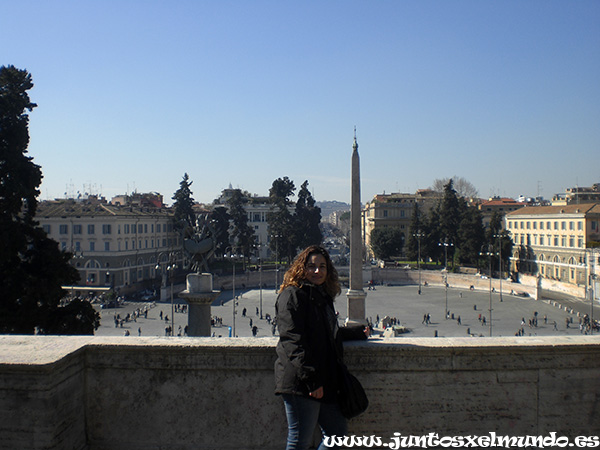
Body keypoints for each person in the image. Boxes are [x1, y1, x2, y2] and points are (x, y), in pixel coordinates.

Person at [274, 245, 368, 450]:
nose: (317, 271)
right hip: (303, 382)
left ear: (328, 270)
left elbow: (327, 333)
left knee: (338, 437)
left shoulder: (321, 296)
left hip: (324, 381)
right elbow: (293, 340)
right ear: (302, 268)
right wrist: (311, 380)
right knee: (299, 441)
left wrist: (358, 332)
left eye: (322, 266)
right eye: (312, 266)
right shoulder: (292, 296)